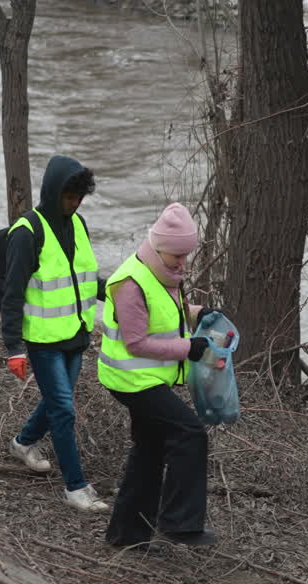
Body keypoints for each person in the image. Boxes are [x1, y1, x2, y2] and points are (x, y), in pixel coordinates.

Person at [98, 202, 220, 548]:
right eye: (176, 257)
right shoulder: (129, 283)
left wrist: (199, 314)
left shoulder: (161, 274)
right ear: (158, 247)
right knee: (190, 432)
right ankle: (179, 524)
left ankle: (126, 537)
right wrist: (190, 348)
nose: (182, 264)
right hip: (130, 381)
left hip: (147, 379)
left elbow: (168, 314)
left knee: (149, 450)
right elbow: (136, 343)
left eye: (186, 256)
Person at [0, 155, 108, 512]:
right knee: (63, 409)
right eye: (68, 197)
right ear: (52, 192)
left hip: (76, 335)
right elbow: (11, 294)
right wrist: (14, 347)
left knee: (55, 402)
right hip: (44, 340)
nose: (74, 204)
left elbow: (85, 279)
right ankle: (76, 488)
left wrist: (123, 290)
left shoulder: (79, 224)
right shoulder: (27, 233)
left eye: (79, 198)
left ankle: (22, 443)